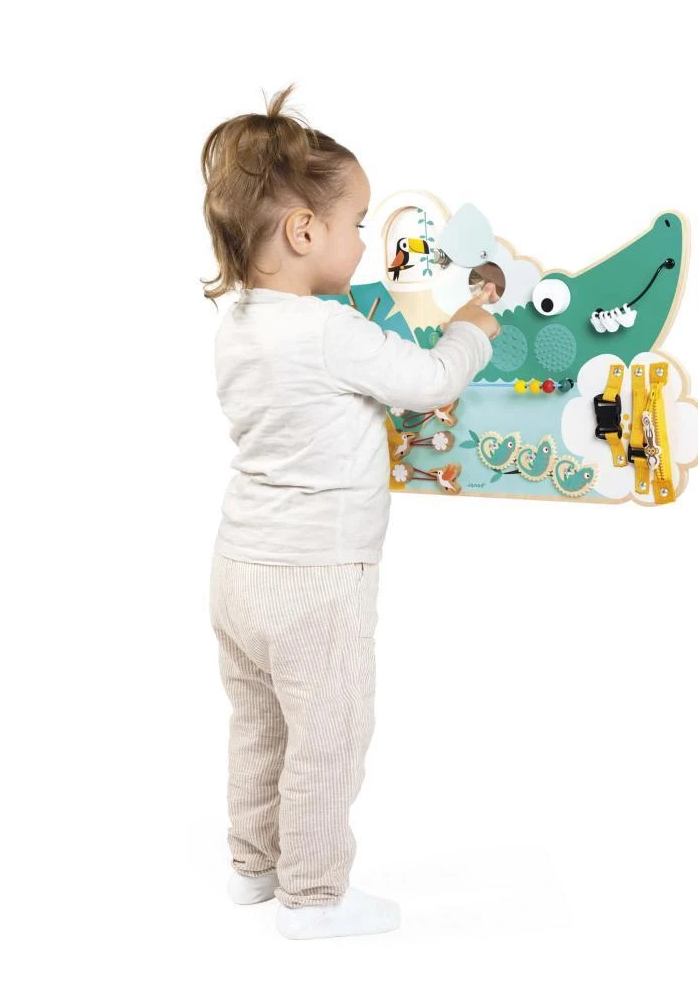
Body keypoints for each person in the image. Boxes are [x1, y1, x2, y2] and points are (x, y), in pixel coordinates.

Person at [201, 84, 500, 940]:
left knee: (259, 727)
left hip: (238, 568)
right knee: (327, 737)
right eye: (359, 222)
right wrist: (472, 326)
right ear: (304, 232)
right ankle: (315, 898)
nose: (366, 240)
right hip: (317, 578)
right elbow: (429, 382)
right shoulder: (329, 330)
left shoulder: (237, 325)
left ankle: (253, 868)